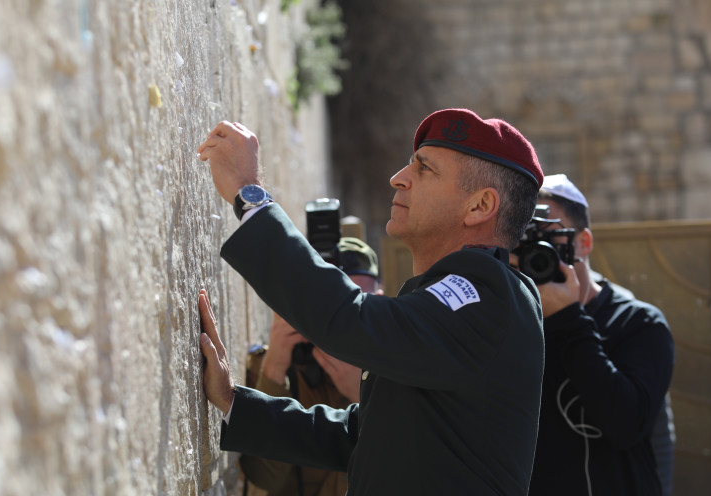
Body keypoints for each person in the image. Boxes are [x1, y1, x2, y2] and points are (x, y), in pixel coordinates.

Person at [196, 108, 546, 495]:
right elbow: (366, 434)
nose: (398, 178)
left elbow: (349, 320)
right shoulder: (462, 300)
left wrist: (251, 197)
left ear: (480, 206)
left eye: (424, 169)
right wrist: (232, 401)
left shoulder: (488, 295)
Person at [518, 174, 675, 496]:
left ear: (584, 242)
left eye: (549, 237)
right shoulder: (513, 318)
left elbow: (626, 425)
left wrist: (567, 318)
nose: (537, 249)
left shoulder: (638, 322)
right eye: (524, 239)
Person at [240, 237, 381, 496]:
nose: (347, 316)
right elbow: (264, 478)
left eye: (359, 301)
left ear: (380, 301)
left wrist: (363, 396)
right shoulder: (277, 368)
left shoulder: (398, 374)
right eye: (336, 302)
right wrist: (275, 366)